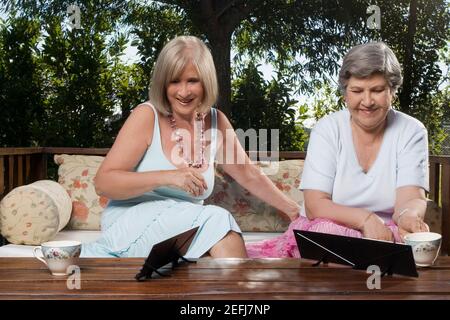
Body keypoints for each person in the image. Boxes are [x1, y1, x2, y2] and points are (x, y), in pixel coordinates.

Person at [81, 35, 300, 258]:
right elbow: (104, 183)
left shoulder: (216, 120)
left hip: (183, 224)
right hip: (130, 222)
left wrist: (294, 210)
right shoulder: (147, 115)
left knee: (218, 240)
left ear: (206, 81)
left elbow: (248, 173)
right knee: (218, 221)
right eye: (174, 81)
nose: (183, 92)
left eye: (192, 81)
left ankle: (235, 293)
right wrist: (169, 176)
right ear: (162, 84)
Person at [246, 42, 430, 258]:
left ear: (392, 92)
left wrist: (408, 217)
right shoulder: (327, 128)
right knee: (327, 232)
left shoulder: (412, 130)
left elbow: (410, 198)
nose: (367, 101)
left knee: (402, 243)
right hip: (329, 228)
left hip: (385, 233)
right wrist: (365, 219)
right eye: (357, 90)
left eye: (378, 90)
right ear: (345, 94)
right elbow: (315, 206)